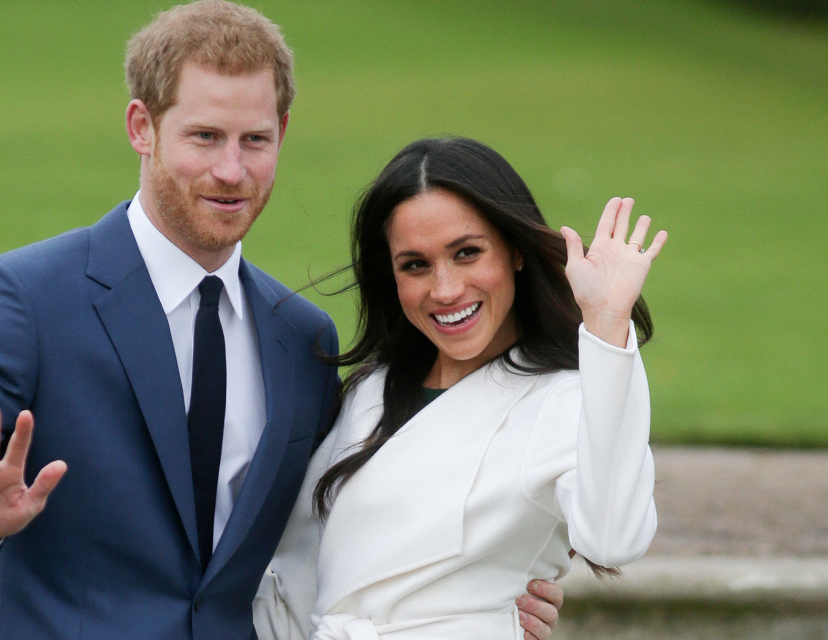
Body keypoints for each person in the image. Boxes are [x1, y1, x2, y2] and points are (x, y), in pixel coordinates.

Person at [0, 4, 562, 640]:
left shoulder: (302, 338)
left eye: (254, 139)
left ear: (282, 133)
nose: (231, 171)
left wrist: (481, 589)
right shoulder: (25, 297)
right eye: (204, 137)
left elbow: (341, 522)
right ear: (142, 127)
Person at [253, 137, 667, 640]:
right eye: (415, 265)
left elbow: (613, 537)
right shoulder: (371, 390)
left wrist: (606, 326)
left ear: (515, 251)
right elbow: (301, 569)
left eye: (467, 253)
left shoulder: (564, 399)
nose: (445, 290)